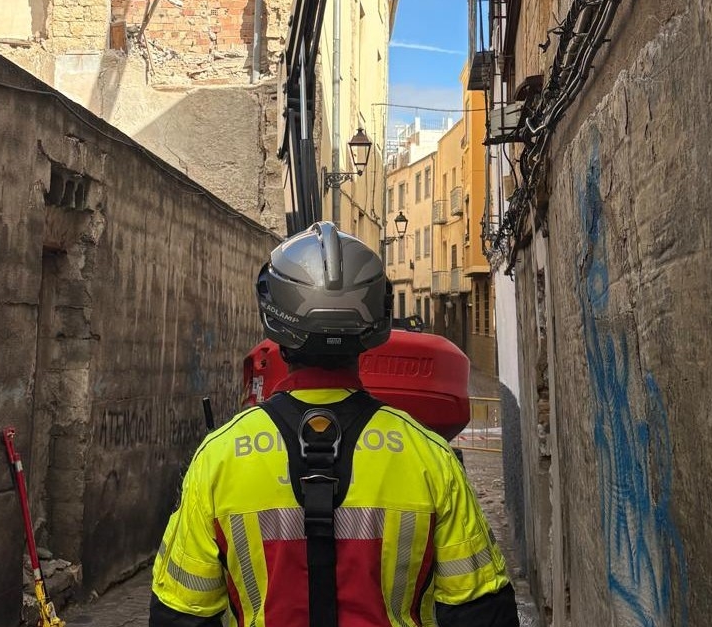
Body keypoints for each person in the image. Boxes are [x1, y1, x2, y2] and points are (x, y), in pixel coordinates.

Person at [150, 222, 519, 627]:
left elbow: (179, 615)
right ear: (375, 323)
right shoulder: (430, 459)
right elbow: (483, 613)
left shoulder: (217, 462)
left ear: (275, 319)